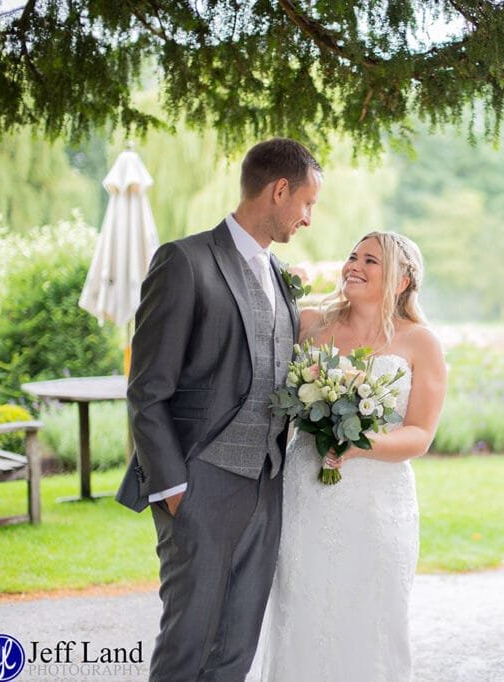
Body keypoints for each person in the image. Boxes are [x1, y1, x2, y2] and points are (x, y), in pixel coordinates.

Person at [115, 138, 323, 681]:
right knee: (189, 643)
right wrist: (174, 488)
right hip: (200, 482)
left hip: (266, 484)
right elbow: (147, 387)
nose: (308, 218)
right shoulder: (185, 261)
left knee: (236, 648)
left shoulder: (279, 277)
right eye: (307, 203)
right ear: (279, 191)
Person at [257, 231, 447, 681]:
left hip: (379, 504)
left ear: (401, 281)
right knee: (304, 604)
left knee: (371, 611)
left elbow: (419, 435)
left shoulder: (421, 342)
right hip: (308, 492)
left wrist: (358, 442)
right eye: (352, 257)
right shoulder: (309, 324)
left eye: (370, 261)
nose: (353, 266)